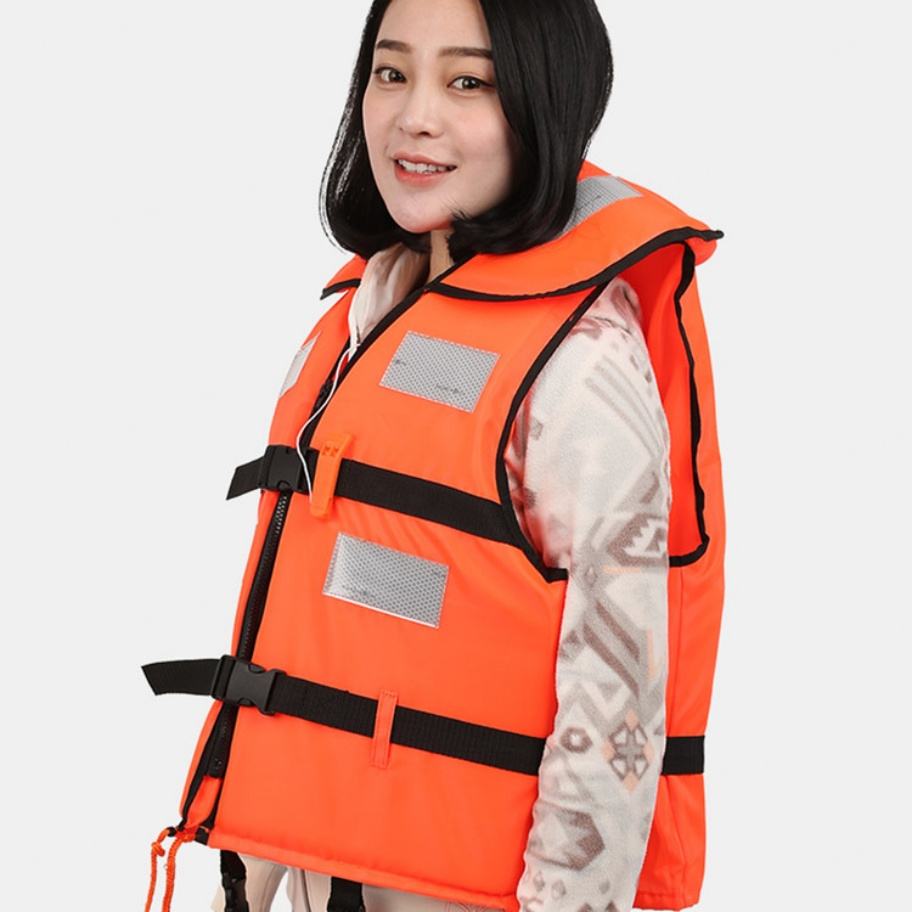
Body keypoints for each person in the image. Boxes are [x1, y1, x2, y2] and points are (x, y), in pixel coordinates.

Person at [204, 0, 678, 910]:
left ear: (546, 101)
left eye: (468, 82)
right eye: (392, 73)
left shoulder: (583, 366)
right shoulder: (364, 316)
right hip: (319, 867)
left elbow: (615, 699)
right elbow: (325, 613)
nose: (415, 115)